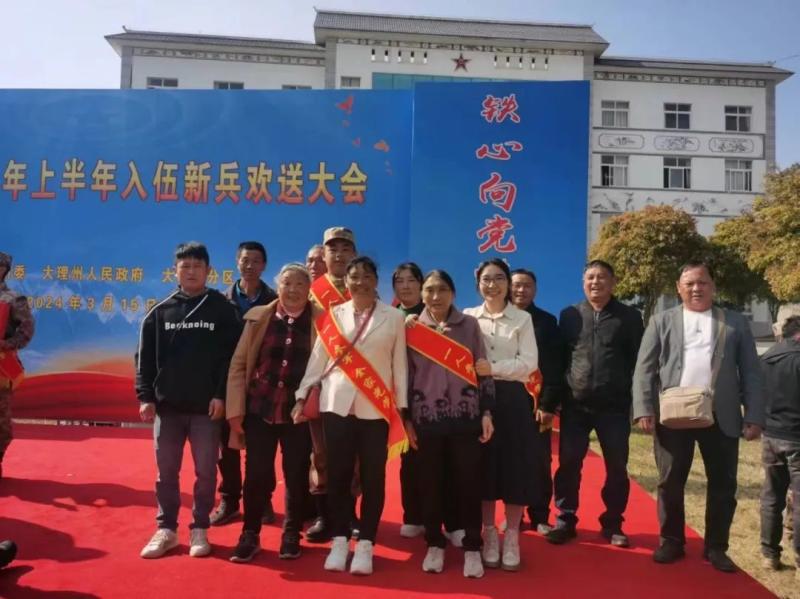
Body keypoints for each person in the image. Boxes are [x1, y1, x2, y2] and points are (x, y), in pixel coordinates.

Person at [633, 260, 764, 572]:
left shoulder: (734, 323)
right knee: (670, 481)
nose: (696, 288)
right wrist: (643, 408)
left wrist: (755, 414)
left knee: (723, 484)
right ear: (678, 289)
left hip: (721, 415)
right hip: (674, 415)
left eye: (702, 282)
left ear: (713, 286)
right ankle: (671, 540)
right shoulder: (661, 321)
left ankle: (716, 547)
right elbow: (644, 369)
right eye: (689, 283)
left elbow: (751, 372)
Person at [296, 256, 407, 575]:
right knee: (339, 475)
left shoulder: (394, 317)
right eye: (354, 276)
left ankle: (367, 543)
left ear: (376, 281)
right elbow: (318, 359)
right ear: (346, 281)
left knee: (373, 477)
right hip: (337, 406)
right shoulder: (334, 315)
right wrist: (302, 394)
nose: (360, 282)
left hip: (376, 408)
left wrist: (401, 408)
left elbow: (399, 365)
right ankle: (340, 540)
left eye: (366, 276)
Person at [136, 242, 241, 559]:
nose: (191, 271)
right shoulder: (160, 311)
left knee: (206, 472)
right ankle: (166, 529)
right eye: (185, 266)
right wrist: (145, 397)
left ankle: (199, 528)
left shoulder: (222, 310)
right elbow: (144, 359)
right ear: (175, 271)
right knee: (166, 473)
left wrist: (221, 395)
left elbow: (231, 360)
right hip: (167, 409)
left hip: (205, 410)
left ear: (208, 271)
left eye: (197, 266)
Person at [225, 263, 320, 563]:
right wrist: (235, 410)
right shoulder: (258, 318)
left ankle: (291, 534)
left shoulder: (322, 322)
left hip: (298, 412)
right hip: (260, 408)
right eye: (287, 283)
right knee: (256, 474)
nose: (293, 290)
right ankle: (249, 533)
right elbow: (239, 365)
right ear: (277, 286)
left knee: (296, 474)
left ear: (309, 290)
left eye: (300, 284)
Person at [405, 269, 494, 578]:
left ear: (453, 293)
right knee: (429, 484)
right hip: (426, 420)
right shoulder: (413, 328)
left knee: (468, 484)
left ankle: (472, 547)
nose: (435, 296)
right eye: (429, 290)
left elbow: (483, 370)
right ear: (422, 294)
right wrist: (406, 420)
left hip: (465, 418)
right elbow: (405, 376)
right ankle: (434, 542)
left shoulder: (469, 325)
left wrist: (487, 412)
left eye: (442, 289)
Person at [548, 260, 643, 548]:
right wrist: (557, 398)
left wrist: (637, 402)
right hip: (575, 406)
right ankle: (565, 518)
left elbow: (638, 362)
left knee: (616, 466)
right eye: (590, 277)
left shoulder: (629, 317)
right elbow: (560, 358)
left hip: (614, 407)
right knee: (568, 463)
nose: (596, 282)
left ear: (613, 282)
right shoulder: (570, 315)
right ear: (583, 282)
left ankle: (613, 522)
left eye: (602, 277)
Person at [464, 258, 538, 572]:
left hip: (513, 402)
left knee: (514, 469)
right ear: (478, 283)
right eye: (486, 279)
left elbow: (529, 364)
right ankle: (489, 533)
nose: (492, 285)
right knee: (484, 469)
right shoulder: (468, 317)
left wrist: (492, 368)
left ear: (508, 283)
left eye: (498, 279)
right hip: (477, 399)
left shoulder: (522, 319)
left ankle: (512, 536)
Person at [212, 241, 278, 527]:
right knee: (226, 446)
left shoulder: (274, 301)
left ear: (264, 265)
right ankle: (229, 499)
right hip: (227, 385)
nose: (249, 266)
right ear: (237, 263)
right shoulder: (220, 301)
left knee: (262, 447)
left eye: (256, 261)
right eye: (245, 260)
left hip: (263, 387)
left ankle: (263, 500)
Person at [305, 227, 357, 543]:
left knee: (354, 456)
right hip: (322, 386)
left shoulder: (364, 290)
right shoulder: (310, 292)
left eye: (345, 249)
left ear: (354, 254)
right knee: (321, 453)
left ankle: (349, 514)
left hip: (358, 385)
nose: (339, 255)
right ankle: (324, 515)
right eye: (332, 249)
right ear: (323, 255)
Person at [510, 268, 564, 534]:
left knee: (540, 461)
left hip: (536, 403)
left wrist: (547, 404)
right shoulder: (500, 319)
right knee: (510, 461)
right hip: (507, 402)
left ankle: (540, 515)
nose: (521, 290)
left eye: (527, 285)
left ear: (535, 289)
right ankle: (514, 516)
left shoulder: (546, 322)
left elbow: (554, 366)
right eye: (517, 285)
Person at [759, 315, 800, 574]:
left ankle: (769, 553)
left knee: (771, 496)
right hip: (796, 436)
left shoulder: (767, 357)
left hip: (771, 434)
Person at [392, 262, 425, 539]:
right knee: (410, 461)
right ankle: (413, 515)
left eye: (411, 280)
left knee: (438, 460)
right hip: (402, 398)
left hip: (434, 398)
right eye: (400, 281)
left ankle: (445, 517)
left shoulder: (434, 313)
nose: (405, 286)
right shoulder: (389, 316)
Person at [0, 252, 35, 479]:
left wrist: (5, 344)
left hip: (1, 367)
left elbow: (26, 332)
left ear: (4, 269)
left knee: (1, 423)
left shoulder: (13, 299)